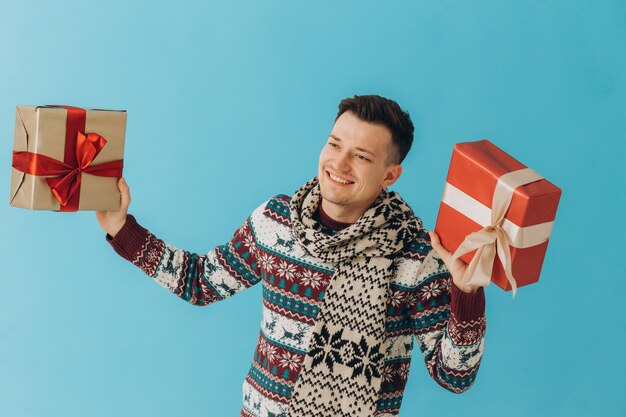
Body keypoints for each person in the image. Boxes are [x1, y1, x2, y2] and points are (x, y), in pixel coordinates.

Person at [96, 95, 486, 417]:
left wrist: (466, 294)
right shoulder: (275, 222)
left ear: (390, 175)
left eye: (362, 156)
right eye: (335, 144)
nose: (339, 164)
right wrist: (121, 228)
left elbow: (453, 375)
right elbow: (199, 282)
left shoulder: (416, 256)